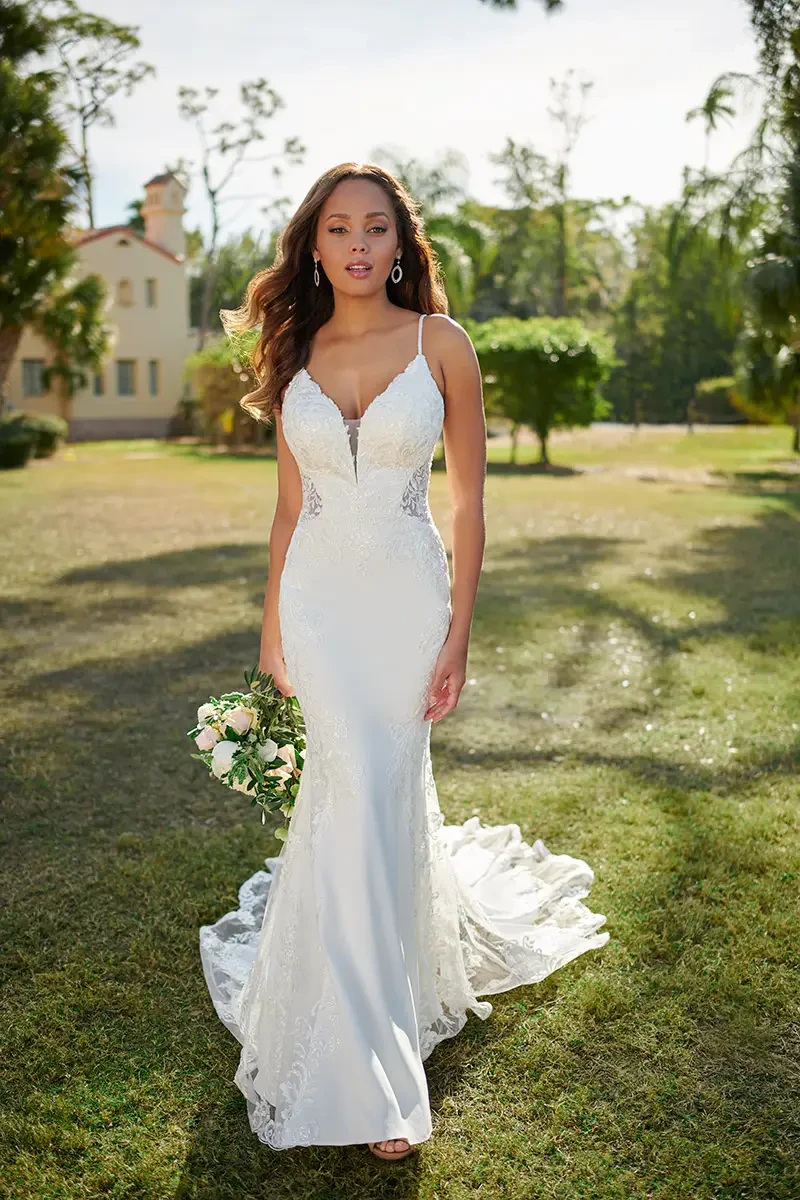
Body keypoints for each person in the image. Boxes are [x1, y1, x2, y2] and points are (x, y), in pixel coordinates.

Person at [199, 162, 610, 1162]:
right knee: (344, 798)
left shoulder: (442, 345)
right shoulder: (293, 352)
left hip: (404, 601)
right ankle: (374, 1064)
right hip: (318, 604)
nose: (354, 244)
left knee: (378, 794)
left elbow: (468, 503)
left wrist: (458, 631)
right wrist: (269, 640)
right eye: (336, 228)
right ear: (315, 245)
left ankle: (380, 1047)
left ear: (398, 243)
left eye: (373, 227)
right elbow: (290, 509)